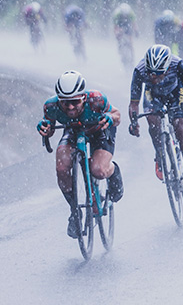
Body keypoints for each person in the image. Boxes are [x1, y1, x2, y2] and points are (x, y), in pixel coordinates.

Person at [37, 70, 124, 238]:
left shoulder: (97, 99)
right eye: (65, 103)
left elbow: (117, 115)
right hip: (74, 131)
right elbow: (49, 127)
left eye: (75, 102)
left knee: (98, 170)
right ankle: (74, 210)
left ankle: (113, 171)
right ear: (59, 100)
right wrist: (45, 129)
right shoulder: (51, 106)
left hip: (99, 130)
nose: (70, 107)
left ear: (84, 97)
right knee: (62, 168)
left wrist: (110, 118)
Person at [128, 44, 183, 199]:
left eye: (158, 74)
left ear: (167, 68)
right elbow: (134, 104)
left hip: (176, 93)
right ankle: (160, 154)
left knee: (180, 127)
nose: (154, 77)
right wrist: (134, 123)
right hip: (152, 95)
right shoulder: (140, 70)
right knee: (152, 120)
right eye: (151, 74)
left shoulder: (178, 65)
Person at [112, 3, 138, 68]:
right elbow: (115, 26)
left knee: (130, 40)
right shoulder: (117, 14)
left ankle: (132, 55)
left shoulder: (131, 13)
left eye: (126, 15)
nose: (125, 16)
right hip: (120, 25)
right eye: (124, 15)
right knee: (119, 34)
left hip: (128, 25)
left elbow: (134, 24)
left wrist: (136, 31)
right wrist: (117, 35)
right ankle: (120, 48)